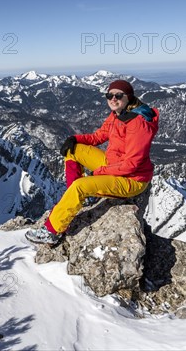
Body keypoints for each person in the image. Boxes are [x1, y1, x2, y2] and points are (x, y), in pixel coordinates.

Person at [25, 79, 159, 245]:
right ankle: (75, 198)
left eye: (118, 95)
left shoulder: (138, 123)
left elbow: (132, 164)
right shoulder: (118, 115)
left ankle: (52, 231)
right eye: (109, 95)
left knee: (80, 186)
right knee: (73, 151)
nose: (113, 99)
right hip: (114, 164)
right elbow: (99, 136)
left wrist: (100, 173)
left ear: (129, 97)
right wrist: (74, 139)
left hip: (132, 179)